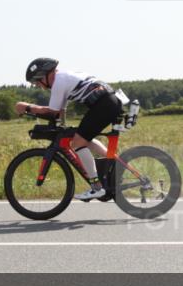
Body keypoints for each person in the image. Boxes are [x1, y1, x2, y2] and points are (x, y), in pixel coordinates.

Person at [16, 58, 123, 201]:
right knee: (83, 138)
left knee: (77, 143)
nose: (37, 86)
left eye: (37, 82)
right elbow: (60, 112)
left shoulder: (58, 82)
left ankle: (97, 187)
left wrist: (27, 107)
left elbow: (53, 112)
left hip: (104, 104)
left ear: (44, 75)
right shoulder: (63, 78)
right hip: (108, 102)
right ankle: (115, 163)